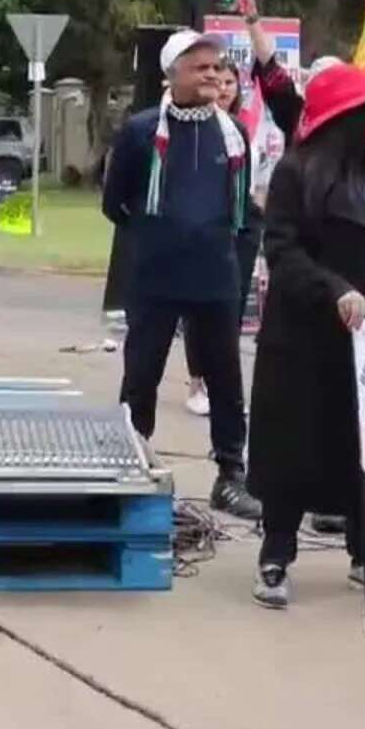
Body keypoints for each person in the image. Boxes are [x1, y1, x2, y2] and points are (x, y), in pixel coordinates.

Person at [247, 63, 365, 609]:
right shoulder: (296, 173)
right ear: (350, 118)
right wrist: (333, 288)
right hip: (305, 343)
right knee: (293, 453)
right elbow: (282, 252)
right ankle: (275, 556)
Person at [101, 29, 262, 521]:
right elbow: (115, 202)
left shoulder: (233, 134)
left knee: (225, 377)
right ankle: (131, 459)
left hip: (216, 276)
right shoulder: (141, 130)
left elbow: (241, 208)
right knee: (142, 371)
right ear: (172, 74)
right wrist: (159, 235)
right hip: (154, 275)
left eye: (217, 66)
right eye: (200, 66)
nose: (213, 74)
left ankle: (231, 474)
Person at [181, 18, 302, 418]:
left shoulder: (250, 124)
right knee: (200, 306)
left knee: (231, 305)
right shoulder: (192, 123)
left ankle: (225, 389)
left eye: (230, 80)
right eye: (217, 78)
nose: (223, 85)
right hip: (206, 228)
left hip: (247, 222)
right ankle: (198, 380)